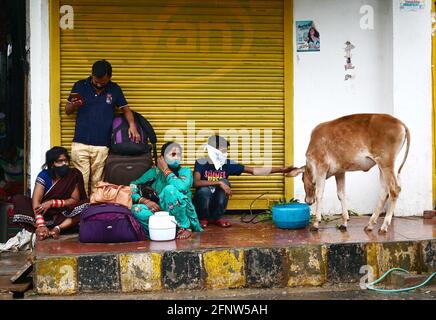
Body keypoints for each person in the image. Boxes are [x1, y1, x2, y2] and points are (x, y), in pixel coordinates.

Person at [65, 59, 140, 195]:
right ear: (92, 75)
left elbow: (126, 110)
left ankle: (94, 212)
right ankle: (80, 212)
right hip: (80, 143)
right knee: (80, 182)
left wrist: (132, 126)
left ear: (109, 77)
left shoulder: (115, 89)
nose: (99, 84)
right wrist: (73, 105)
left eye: (103, 82)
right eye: (96, 80)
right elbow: (67, 110)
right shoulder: (80, 86)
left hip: (102, 145)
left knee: (97, 184)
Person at [194, 135, 295, 228]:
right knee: (204, 190)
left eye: (226, 151)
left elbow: (254, 170)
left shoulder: (227, 164)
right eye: (222, 150)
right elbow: (196, 182)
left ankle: (217, 217)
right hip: (204, 202)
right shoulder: (201, 162)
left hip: (217, 200)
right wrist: (219, 183)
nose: (225, 153)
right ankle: (203, 218)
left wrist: (282, 170)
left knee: (225, 181)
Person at [11, 147, 88, 241]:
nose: (65, 164)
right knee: (18, 199)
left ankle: (58, 229)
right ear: (52, 164)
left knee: (87, 205)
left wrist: (52, 203)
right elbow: (36, 202)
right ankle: (43, 229)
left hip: (64, 214)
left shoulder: (73, 175)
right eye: (60, 161)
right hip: (45, 214)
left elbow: (74, 200)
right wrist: (41, 225)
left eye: (66, 160)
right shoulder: (44, 176)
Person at [130, 142, 203, 240]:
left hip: (181, 213)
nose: (176, 157)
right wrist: (144, 201)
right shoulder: (155, 172)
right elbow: (133, 185)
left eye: (179, 155)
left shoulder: (185, 171)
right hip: (160, 211)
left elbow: (182, 188)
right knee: (136, 209)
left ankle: (184, 227)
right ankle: (159, 230)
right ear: (162, 158)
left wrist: (166, 170)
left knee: (170, 190)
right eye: (173, 154)